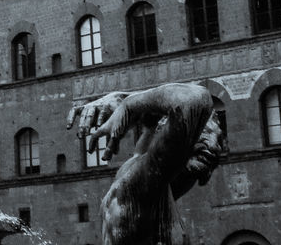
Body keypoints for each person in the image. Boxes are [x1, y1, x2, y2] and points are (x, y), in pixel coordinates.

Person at [68, 83, 225, 245]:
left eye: (218, 139)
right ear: (166, 138)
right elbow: (194, 99)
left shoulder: (154, 192)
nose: (214, 146)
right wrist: (129, 104)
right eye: (198, 133)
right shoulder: (135, 187)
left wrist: (139, 107)